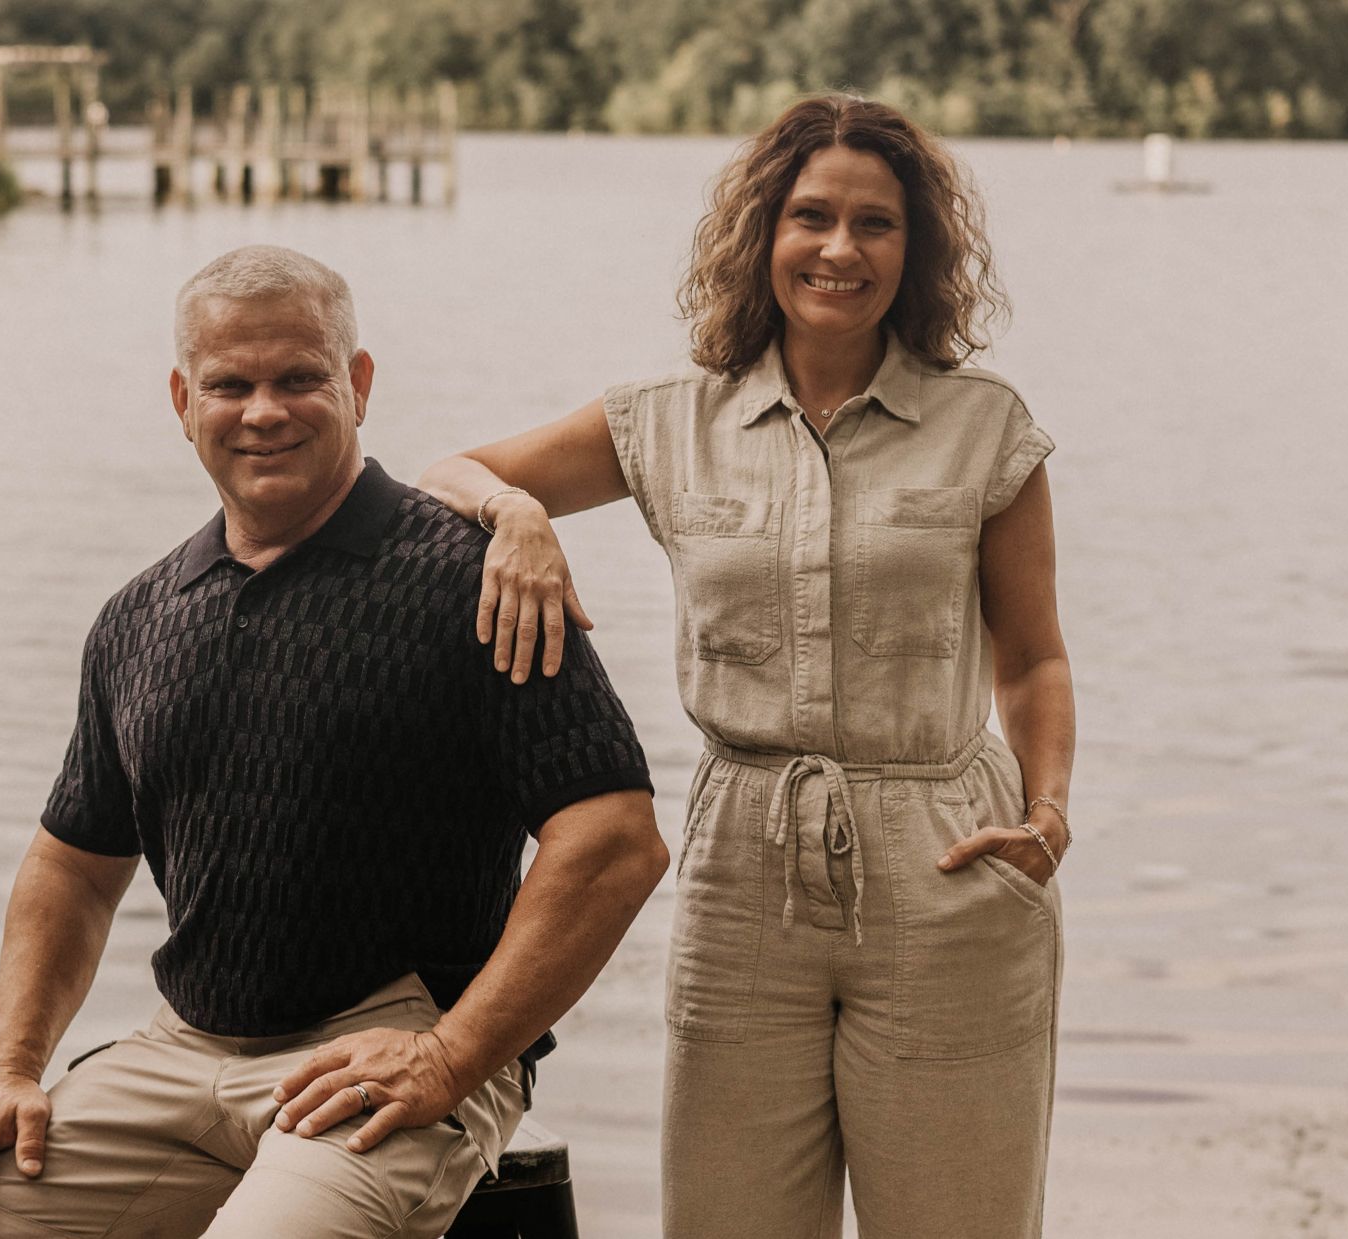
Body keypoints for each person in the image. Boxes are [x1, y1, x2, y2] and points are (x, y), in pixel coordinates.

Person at [0, 244, 668, 1239]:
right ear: (182, 400)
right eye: (230, 384)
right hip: (181, 1053)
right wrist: (7, 1073)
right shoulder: (138, 618)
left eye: (300, 378)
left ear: (356, 385)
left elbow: (613, 842)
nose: (264, 410)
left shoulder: (473, 580)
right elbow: (72, 868)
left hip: (395, 1048)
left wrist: (452, 1055)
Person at [419, 94, 1075, 1238]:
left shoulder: (986, 428)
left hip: (951, 859)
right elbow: (443, 475)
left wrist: (1051, 812)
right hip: (741, 868)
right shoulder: (668, 420)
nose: (839, 248)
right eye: (809, 216)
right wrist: (518, 514)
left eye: (875, 223)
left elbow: (1032, 658)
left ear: (913, 249)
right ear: (760, 233)